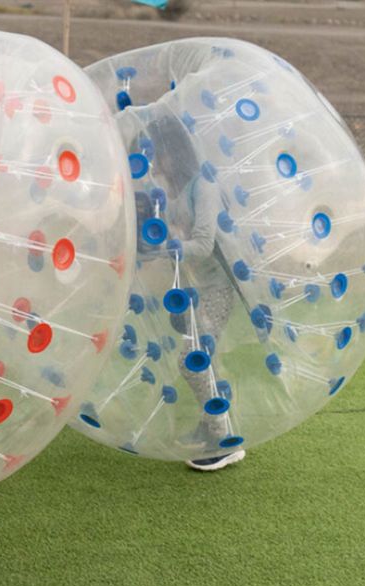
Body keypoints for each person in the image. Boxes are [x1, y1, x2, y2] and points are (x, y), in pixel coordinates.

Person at [138, 108, 246, 473]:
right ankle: (209, 423)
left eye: (154, 150)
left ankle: (225, 439)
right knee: (201, 358)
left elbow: (202, 242)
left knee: (192, 359)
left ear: (172, 150)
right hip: (196, 288)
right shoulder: (172, 191)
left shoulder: (204, 185)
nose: (151, 158)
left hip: (219, 286)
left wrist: (169, 244)